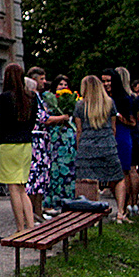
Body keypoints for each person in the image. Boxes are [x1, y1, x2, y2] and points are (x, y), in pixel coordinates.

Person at [74, 75, 129, 223]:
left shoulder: (80, 105)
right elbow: (113, 127)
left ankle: (93, 216)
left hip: (87, 146)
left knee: (90, 180)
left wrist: (79, 148)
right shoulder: (109, 103)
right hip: (107, 144)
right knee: (118, 178)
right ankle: (120, 213)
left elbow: (79, 130)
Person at [0, 63, 35, 232]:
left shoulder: (5, 97)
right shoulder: (31, 97)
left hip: (9, 144)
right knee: (22, 187)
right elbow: (33, 122)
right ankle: (31, 225)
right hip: (26, 143)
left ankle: (20, 227)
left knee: (13, 188)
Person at [42, 75, 77, 212]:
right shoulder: (48, 101)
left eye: (65, 84)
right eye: (60, 84)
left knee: (68, 168)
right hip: (55, 138)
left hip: (67, 138)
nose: (63, 87)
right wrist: (61, 118)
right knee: (54, 169)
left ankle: (68, 199)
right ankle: (53, 201)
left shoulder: (71, 100)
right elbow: (45, 119)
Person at [25, 70, 51, 221]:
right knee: (36, 177)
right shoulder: (33, 98)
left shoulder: (37, 98)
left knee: (39, 178)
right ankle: (34, 212)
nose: (44, 82)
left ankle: (37, 211)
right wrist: (62, 117)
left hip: (39, 140)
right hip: (37, 141)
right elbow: (43, 118)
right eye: (41, 79)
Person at [116, 66, 139, 215]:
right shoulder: (134, 98)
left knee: (126, 170)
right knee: (132, 169)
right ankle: (134, 202)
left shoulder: (123, 99)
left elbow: (132, 121)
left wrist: (118, 116)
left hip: (126, 134)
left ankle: (127, 203)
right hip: (135, 135)